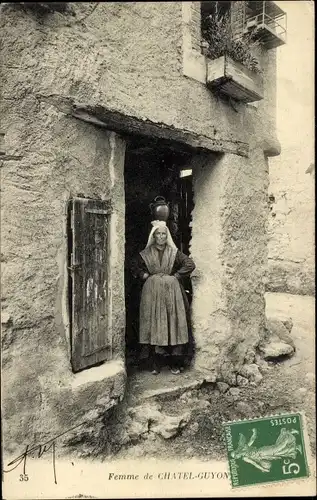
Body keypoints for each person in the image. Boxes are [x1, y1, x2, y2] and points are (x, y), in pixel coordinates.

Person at [131, 220, 196, 375]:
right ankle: (155, 363)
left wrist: (176, 276)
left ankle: (175, 362)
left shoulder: (174, 253)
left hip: (171, 293)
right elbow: (134, 265)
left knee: (173, 322)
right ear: (153, 236)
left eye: (163, 234)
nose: (161, 237)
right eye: (158, 234)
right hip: (152, 293)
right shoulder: (145, 254)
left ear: (167, 236)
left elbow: (189, 264)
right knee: (154, 324)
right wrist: (143, 274)